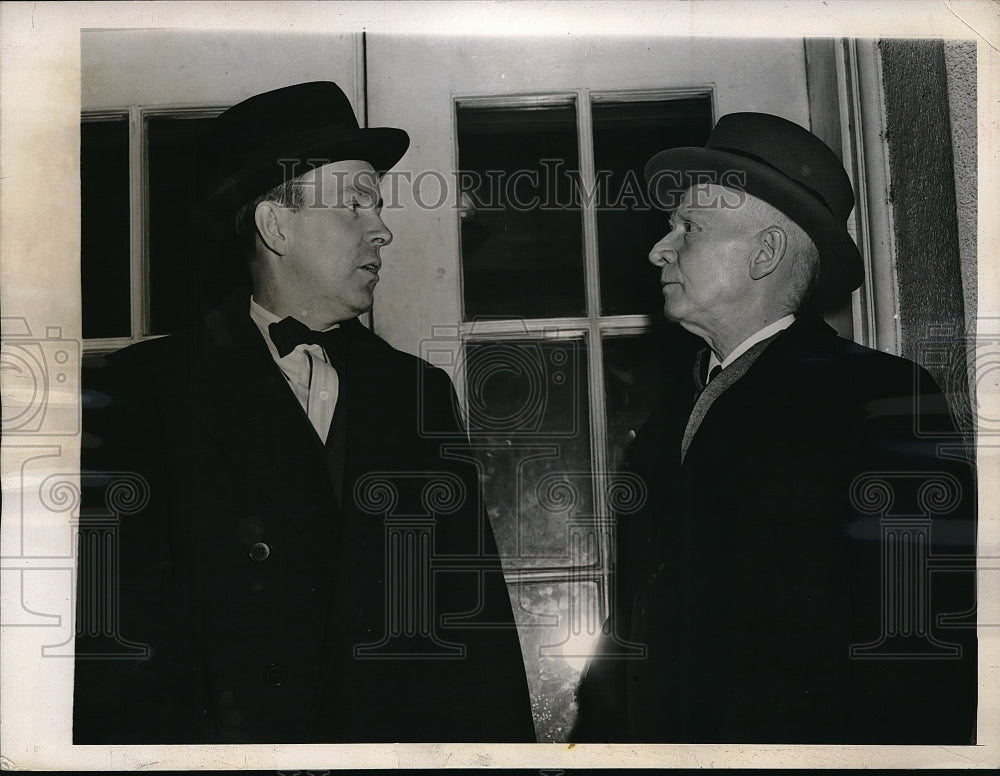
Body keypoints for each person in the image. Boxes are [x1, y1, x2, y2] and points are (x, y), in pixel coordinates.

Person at [74, 81, 535, 744]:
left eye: (376, 206)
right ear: (276, 224)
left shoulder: (418, 393)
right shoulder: (147, 395)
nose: (382, 228)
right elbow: (111, 658)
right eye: (355, 205)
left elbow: (475, 628)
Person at [571, 113, 977, 744]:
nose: (660, 248)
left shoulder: (882, 398)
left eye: (689, 227)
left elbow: (923, 646)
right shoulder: (668, 421)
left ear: (765, 253)